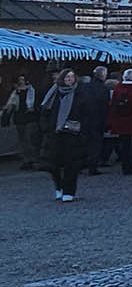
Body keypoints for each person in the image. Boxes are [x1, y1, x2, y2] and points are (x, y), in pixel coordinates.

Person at [39, 68, 85, 201]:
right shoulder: (53, 93)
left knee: (71, 164)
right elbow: (45, 111)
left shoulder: (80, 93)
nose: (69, 79)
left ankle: (69, 191)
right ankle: (59, 186)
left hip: (72, 133)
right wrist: (47, 127)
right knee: (54, 164)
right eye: (67, 77)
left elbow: (85, 111)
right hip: (54, 133)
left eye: (72, 76)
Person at [77, 63, 110, 175]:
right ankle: (92, 167)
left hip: (84, 119)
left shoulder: (84, 87)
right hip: (97, 120)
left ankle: (80, 166)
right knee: (95, 145)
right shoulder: (104, 89)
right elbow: (105, 106)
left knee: (83, 144)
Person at [2, 74, 42, 168]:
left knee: (30, 139)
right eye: (19, 79)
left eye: (22, 79)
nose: (21, 81)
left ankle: (34, 159)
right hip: (19, 118)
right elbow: (11, 104)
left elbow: (36, 103)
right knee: (22, 140)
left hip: (29, 117)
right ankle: (26, 159)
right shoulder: (15, 92)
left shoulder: (32, 91)